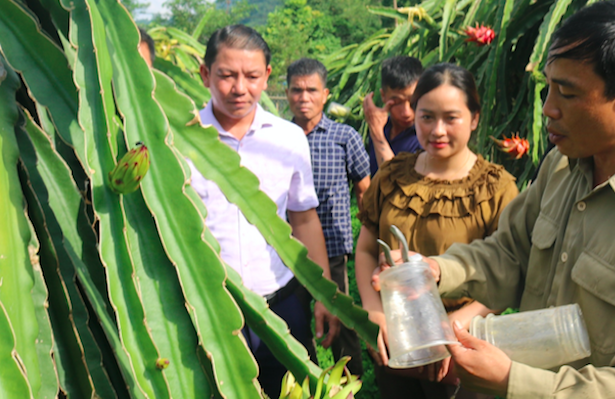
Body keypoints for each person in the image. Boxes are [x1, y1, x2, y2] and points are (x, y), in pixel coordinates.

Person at [380, 2, 615, 398]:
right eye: (548, 88)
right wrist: (437, 270)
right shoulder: (563, 167)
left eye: (567, 93)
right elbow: (510, 255)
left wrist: (512, 380)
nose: (548, 108)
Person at [188, 25, 340, 398]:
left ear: (267, 76)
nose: (240, 88)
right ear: (205, 74)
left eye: (252, 76)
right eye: (227, 75)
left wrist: (324, 294)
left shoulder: (288, 138)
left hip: (280, 304)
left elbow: (303, 218)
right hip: (208, 305)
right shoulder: (180, 137)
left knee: (292, 391)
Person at [355, 63, 519, 399]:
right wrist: (374, 312)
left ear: (474, 118)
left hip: (462, 342)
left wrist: (452, 326)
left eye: (451, 118)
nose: (437, 130)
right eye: (427, 117)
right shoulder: (392, 176)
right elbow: (366, 249)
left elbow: (508, 273)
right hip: (396, 337)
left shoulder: (495, 188)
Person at [286, 57, 371, 376]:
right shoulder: (278, 136)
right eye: (296, 90)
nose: (303, 97)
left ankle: (349, 383)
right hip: (287, 248)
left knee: (341, 318)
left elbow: (364, 189)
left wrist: (371, 241)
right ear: (287, 92)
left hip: (333, 245)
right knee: (291, 320)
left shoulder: (344, 136)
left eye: (311, 90)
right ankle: (304, 382)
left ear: (325, 94)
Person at [363, 56, 423, 175]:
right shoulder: (382, 127)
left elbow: (394, 180)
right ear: (383, 96)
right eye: (396, 102)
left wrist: (377, 135)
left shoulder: (425, 136)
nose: (406, 113)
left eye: (413, 102)